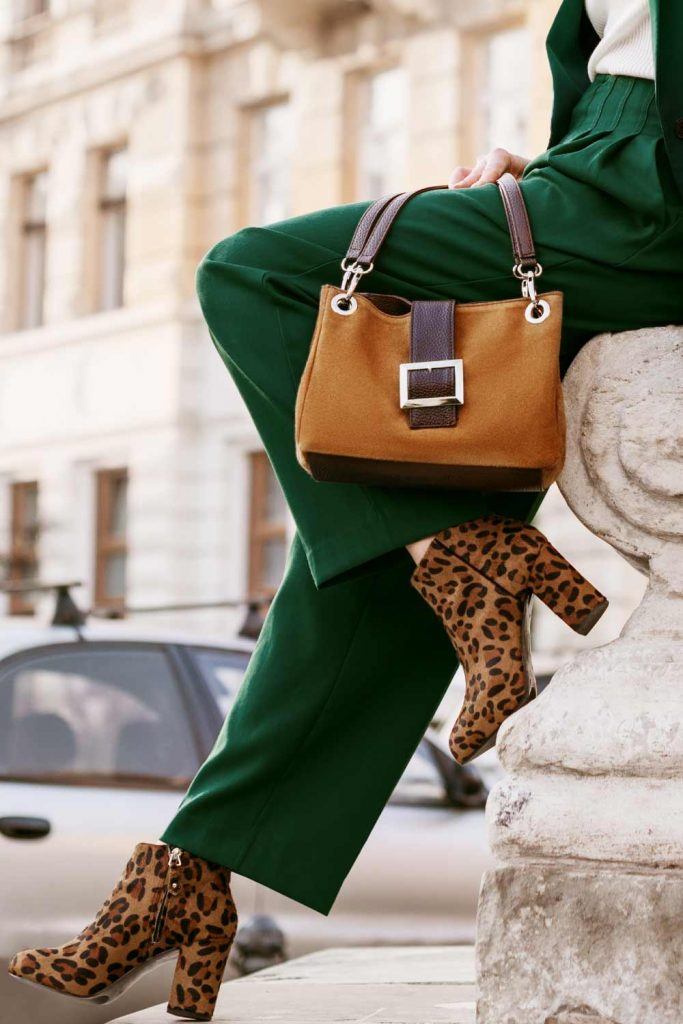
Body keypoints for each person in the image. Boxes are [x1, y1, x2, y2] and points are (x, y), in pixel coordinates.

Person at [10, 2, 683, 1021]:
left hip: (642, 197)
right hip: (591, 177)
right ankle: (188, 879)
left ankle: (467, 561)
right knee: (363, 551)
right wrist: (552, 154)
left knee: (256, 271)